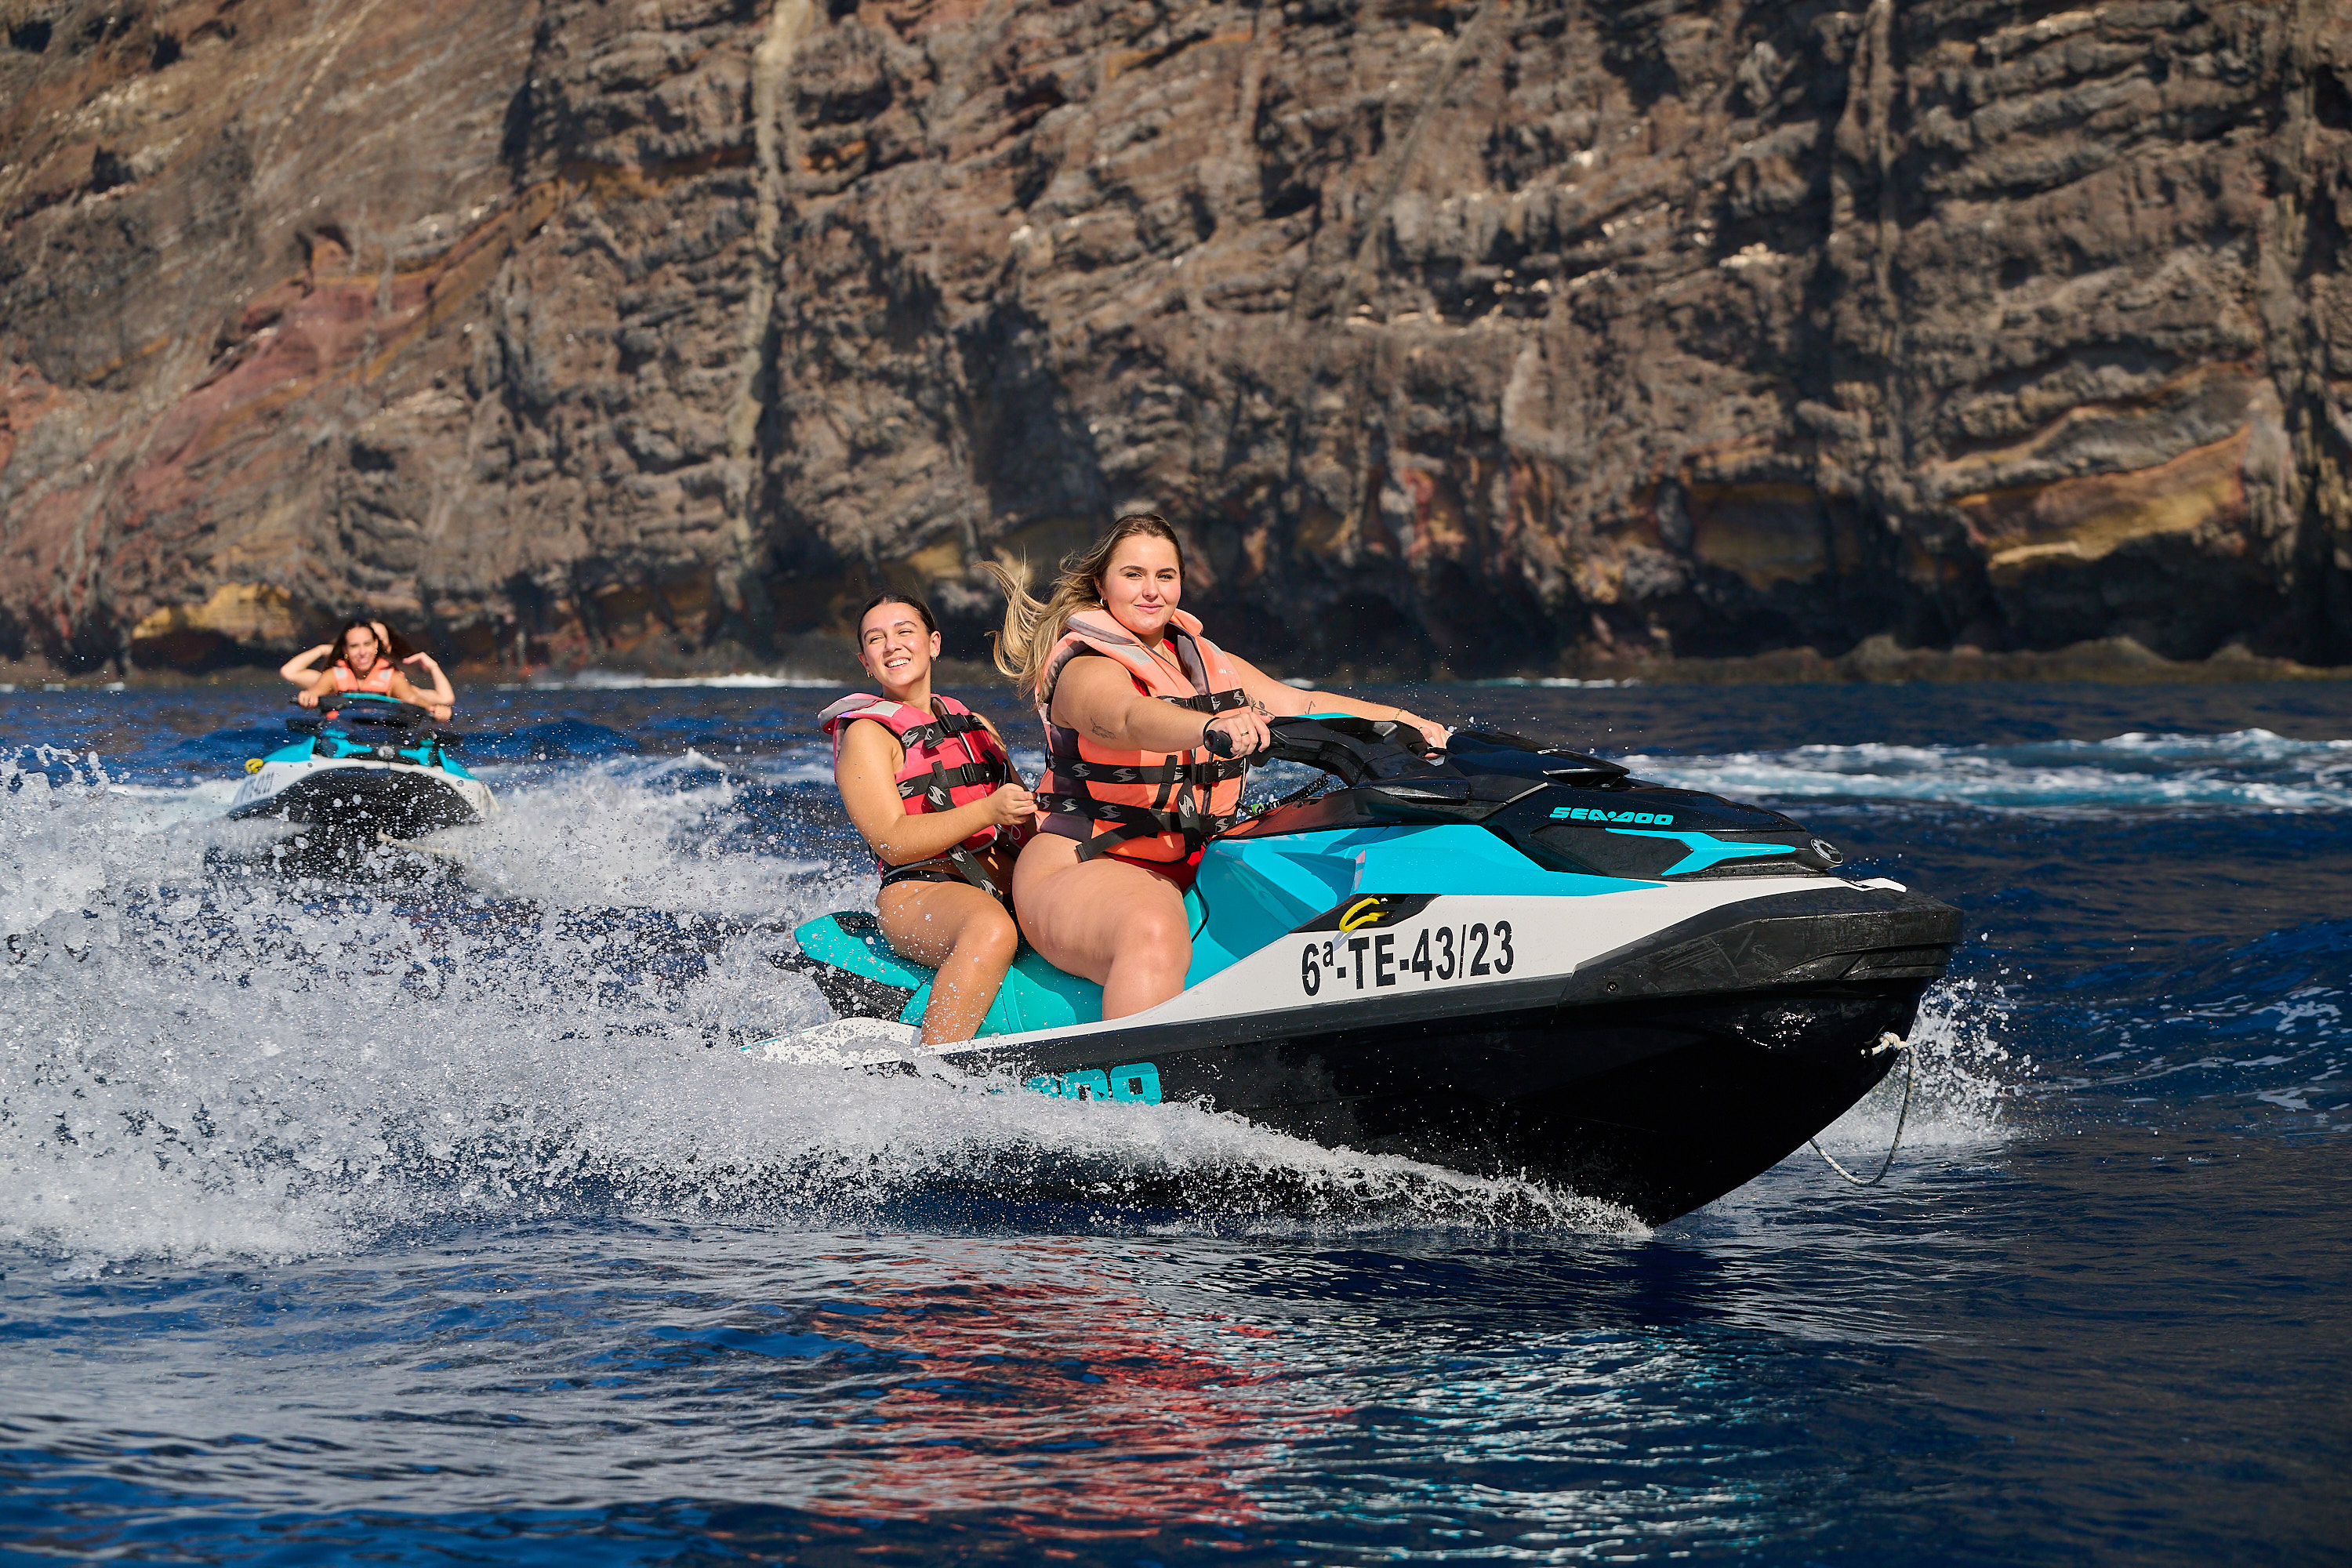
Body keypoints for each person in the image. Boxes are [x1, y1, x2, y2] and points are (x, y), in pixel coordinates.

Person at [983, 512, 1447, 1020]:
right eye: (1133, 575)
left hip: (1195, 856)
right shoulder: (1086, 669)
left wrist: (1411, 723)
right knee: (1152, 928)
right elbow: (1126, 718)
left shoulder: (1206, 662)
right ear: (1101, 585)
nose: (1151, 591)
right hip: (1084, 864)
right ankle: (1132, 1089)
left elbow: (1303, 704)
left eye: (1166, 576)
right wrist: (1210, 729)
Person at [822, 592, 1037, 1047]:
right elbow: (893, 841)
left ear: (934, 643)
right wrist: (987, 810)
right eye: (876, 639)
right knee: (991, 929)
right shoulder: (868, 735)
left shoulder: (974, 724)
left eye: (904, 631)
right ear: (865, 661)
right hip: (920, 892)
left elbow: (1024, 821)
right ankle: (933, 1071)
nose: (892, 645)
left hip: (1005, 881)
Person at [280, 620, 455, 721]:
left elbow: (414, 699)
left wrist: (434, 710)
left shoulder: (393, 678)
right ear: (345, 649)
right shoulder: (333, 676)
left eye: (367, 644)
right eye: (355, 646)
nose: (362, 652)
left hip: (384, 743)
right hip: (339, 743)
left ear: (376, 645)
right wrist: (308, 697)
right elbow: (315, 692)